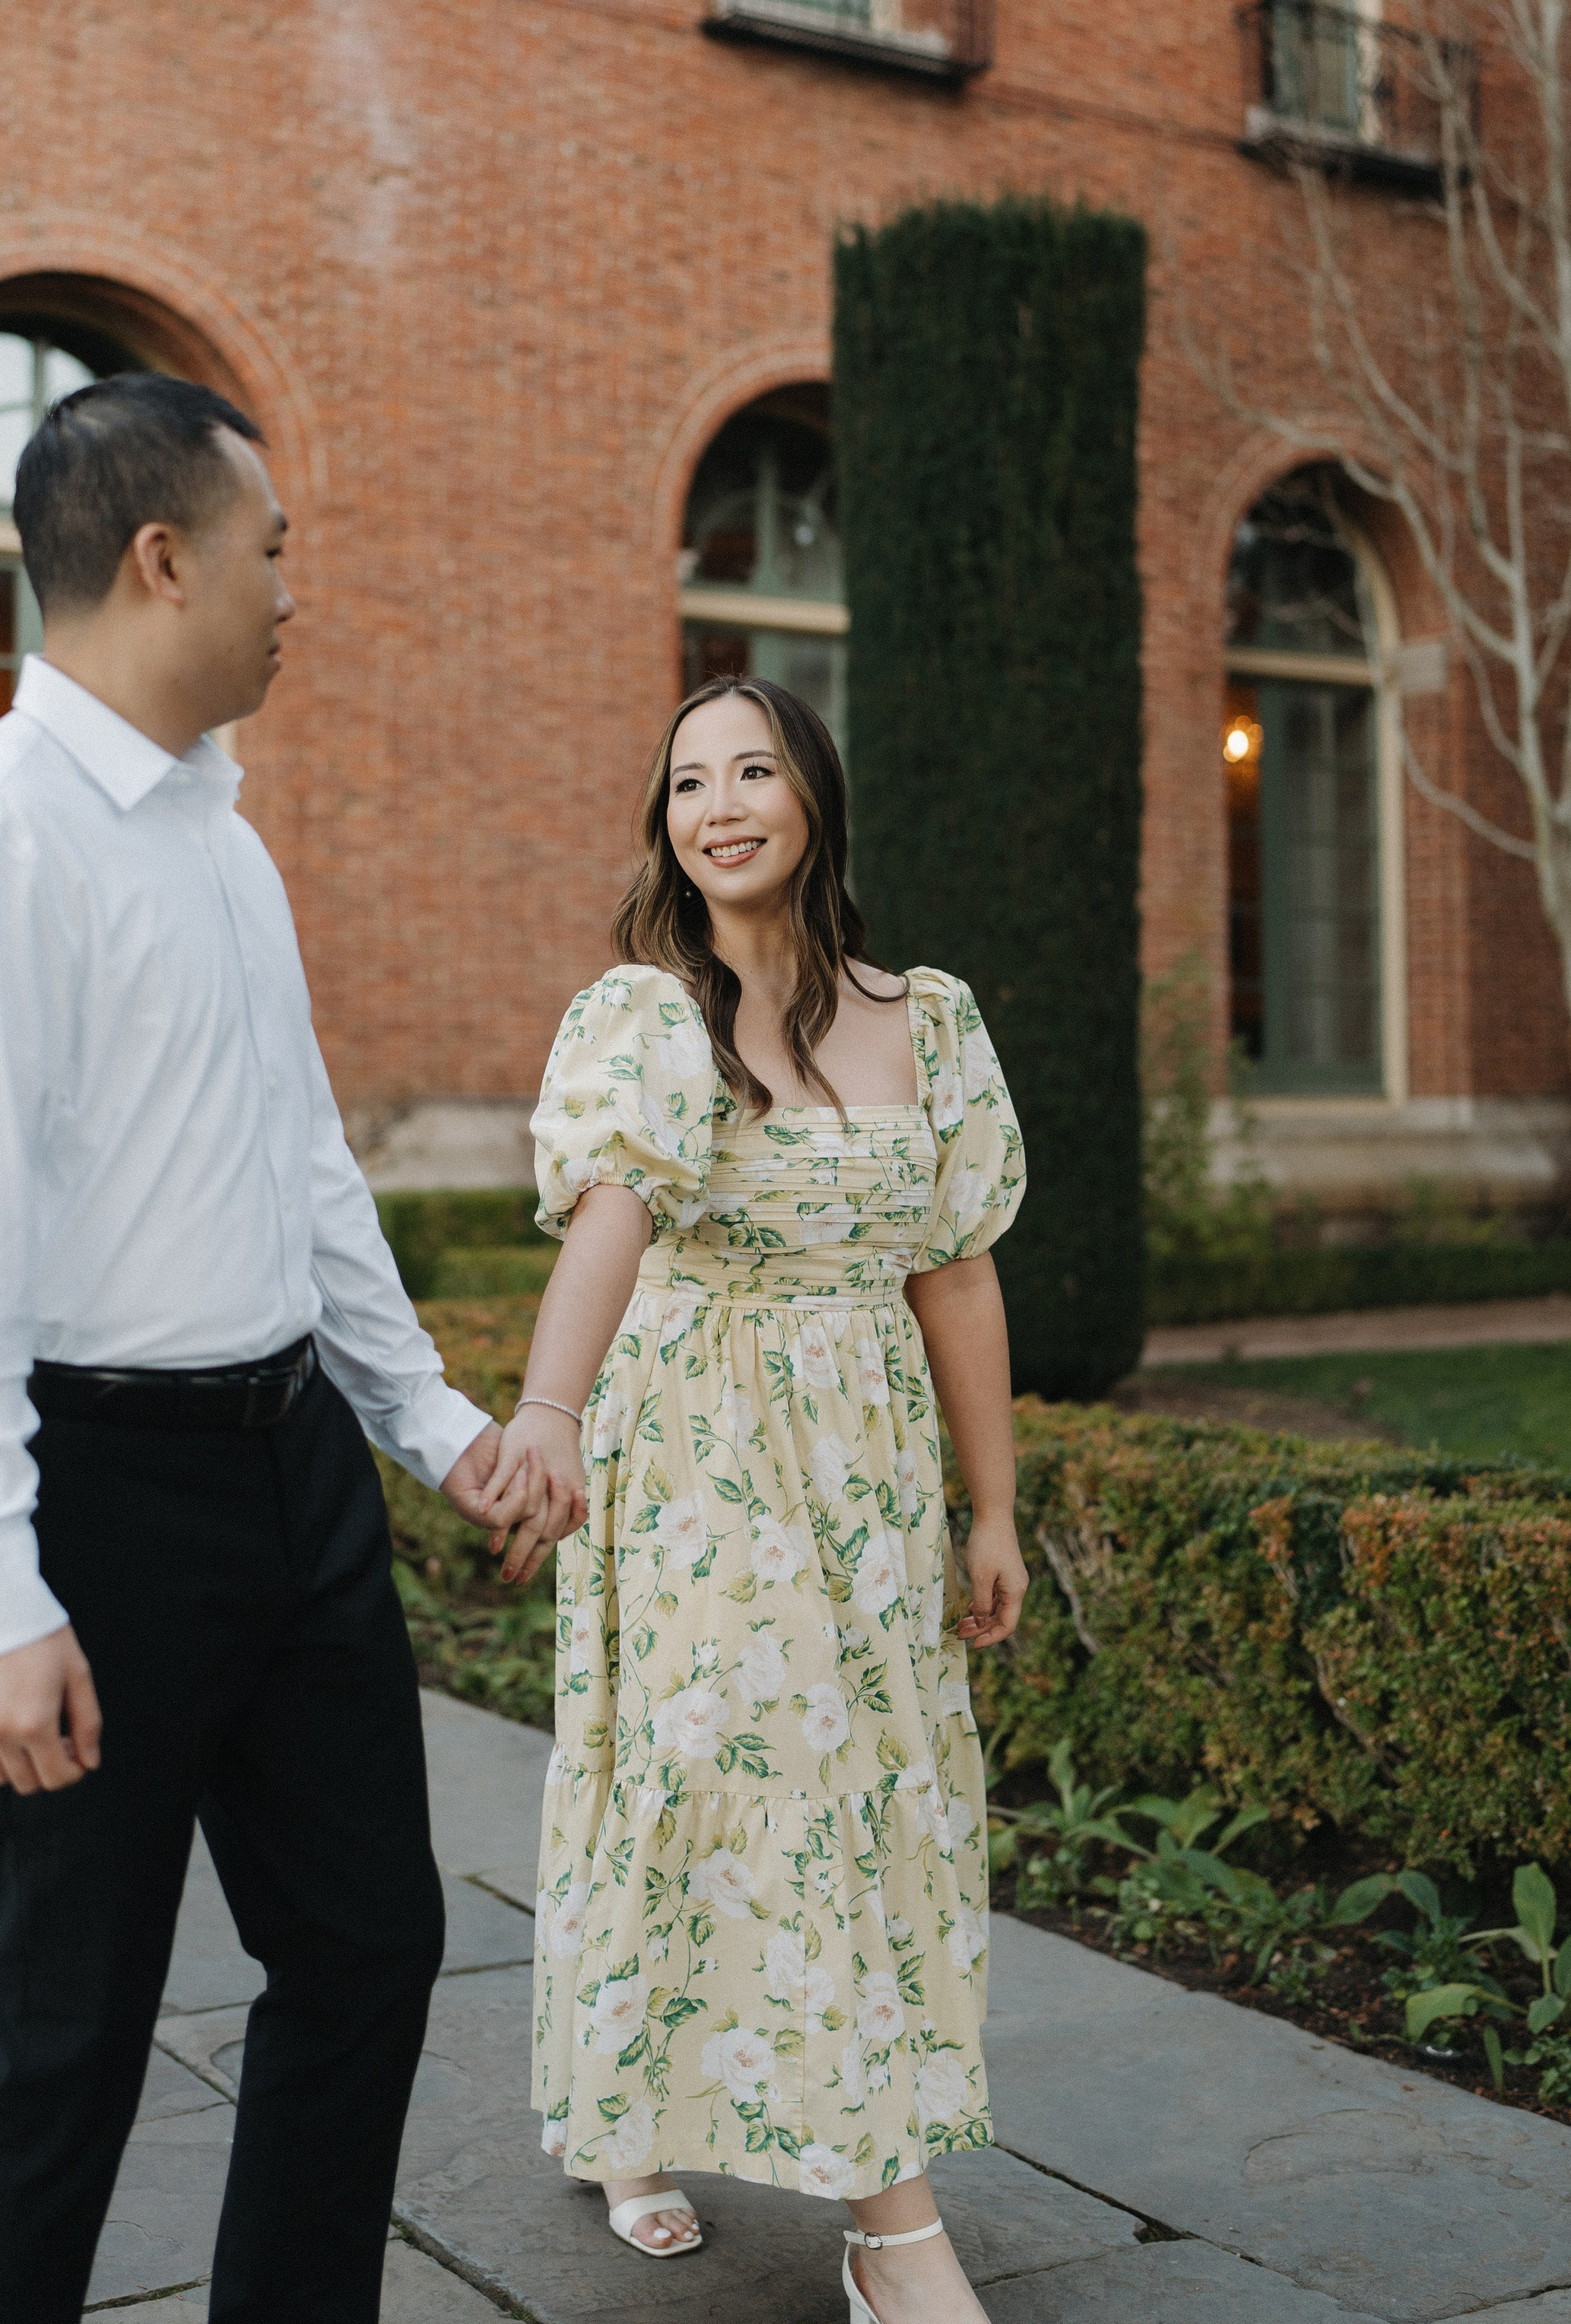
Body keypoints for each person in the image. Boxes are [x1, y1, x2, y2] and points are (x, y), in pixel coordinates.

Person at [0, 371, 515, 2324]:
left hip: (292, 1476)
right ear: (163, 559)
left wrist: (430, 1425)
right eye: (273, 553)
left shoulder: (226, 842)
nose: (289, 592)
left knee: (368, 1951)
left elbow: (301, 1168)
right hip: (101, 1504)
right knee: (66, 2035)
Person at [481, 675, 1029, 2324]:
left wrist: (985, 1511)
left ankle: (635, 2105)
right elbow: (608, 1219)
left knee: (870, 1798)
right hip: (701, 1462)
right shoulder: (648, 1015)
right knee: (743, 1788)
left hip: (862, 1470)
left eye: (751, 771)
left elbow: (956, 1275)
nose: (716, 806)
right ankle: (890, 2236)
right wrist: (547, 1410)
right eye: (685, 783)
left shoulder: (922, 1017)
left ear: (812, 799)